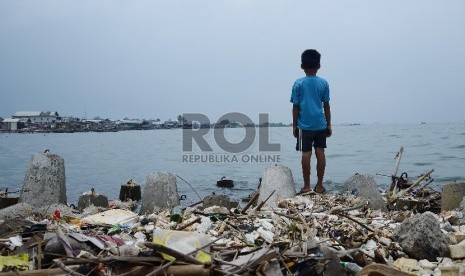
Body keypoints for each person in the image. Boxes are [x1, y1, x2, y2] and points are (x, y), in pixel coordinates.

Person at [290, 49, 332, 194]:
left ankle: (307, 186)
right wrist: (329, 124)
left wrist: (294, 125)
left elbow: (295, 107)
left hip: (304, 125)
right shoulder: (323, 83)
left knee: (306, 154)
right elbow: (326, 105)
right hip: (320, 124)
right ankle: (319, 186)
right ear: (319, 66)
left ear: (302, 66)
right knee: (320, 152)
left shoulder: (298, 83)